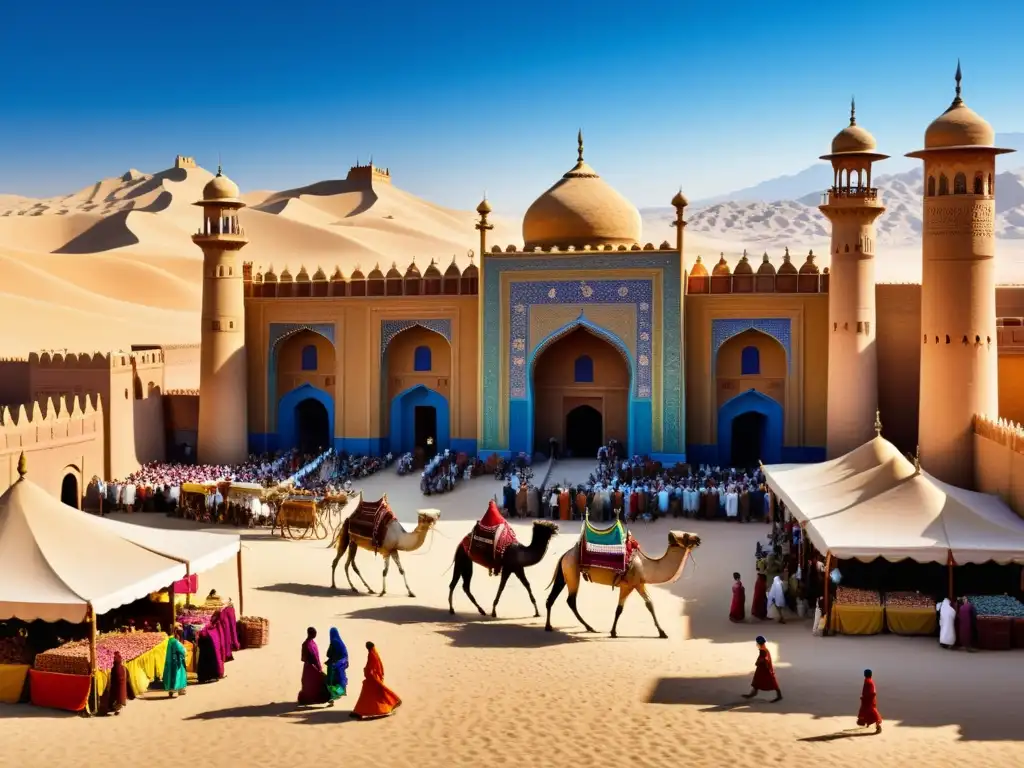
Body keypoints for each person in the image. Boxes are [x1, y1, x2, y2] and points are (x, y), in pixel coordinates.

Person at [351, 641, 402, 719]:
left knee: (370, 695)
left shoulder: (372, 655)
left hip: (372, 679)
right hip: (373, 678)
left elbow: (371, 668)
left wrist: (367, 671)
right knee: (369, 696)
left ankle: (360, 711)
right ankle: (358, 711)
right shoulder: (374, 653)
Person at [742, 635, 782, 702]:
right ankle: (753, 693)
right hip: (762, 668)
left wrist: (759, 662)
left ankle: (779, 696)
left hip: (765, 669)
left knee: (772, 681)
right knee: (758, 680)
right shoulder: (764, 649)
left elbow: (764, 659)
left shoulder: (763, 650)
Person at [298, 627, 330, 705]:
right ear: (310, 634)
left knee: (313, 683)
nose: (315, 635)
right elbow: (306, 657)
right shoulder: (307, 644)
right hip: (311, 668)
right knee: (315, 683)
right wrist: (316, 666)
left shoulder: (311, 643)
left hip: (313, 667)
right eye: (314, 634)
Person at [163, 624, 188, 698]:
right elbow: (181, 650)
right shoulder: (175, 641)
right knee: (179, 674)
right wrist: (184, 650)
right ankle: (179, 689)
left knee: (172, 675)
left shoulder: (171, 640)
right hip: (177, 661)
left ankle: (172, 691)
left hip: (172, 660)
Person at [99, 651, 128, 716]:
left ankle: (115, 709)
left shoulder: (116, 664)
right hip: (119, 681)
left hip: (117, 681)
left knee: (118, 695)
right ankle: (116, 709)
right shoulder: (120, 666)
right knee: (119, 696)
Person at [325, 627, 349, 701]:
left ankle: (334, 695)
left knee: (332, 680)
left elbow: (328, 654)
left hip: (335, 664)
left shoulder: (333, 642)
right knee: (340, 678)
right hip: (342, 663)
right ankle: (341, 692)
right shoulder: (340, 642)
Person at [856, 669, 882, 733]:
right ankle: (865, 722)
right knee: (866, 712)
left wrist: (866, 698)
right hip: (867, 700)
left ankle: (878, 727)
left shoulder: (868, 682)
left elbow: (872, 692)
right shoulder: (869, 681)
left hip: (869, 701)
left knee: (872, 713)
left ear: (865, 674)